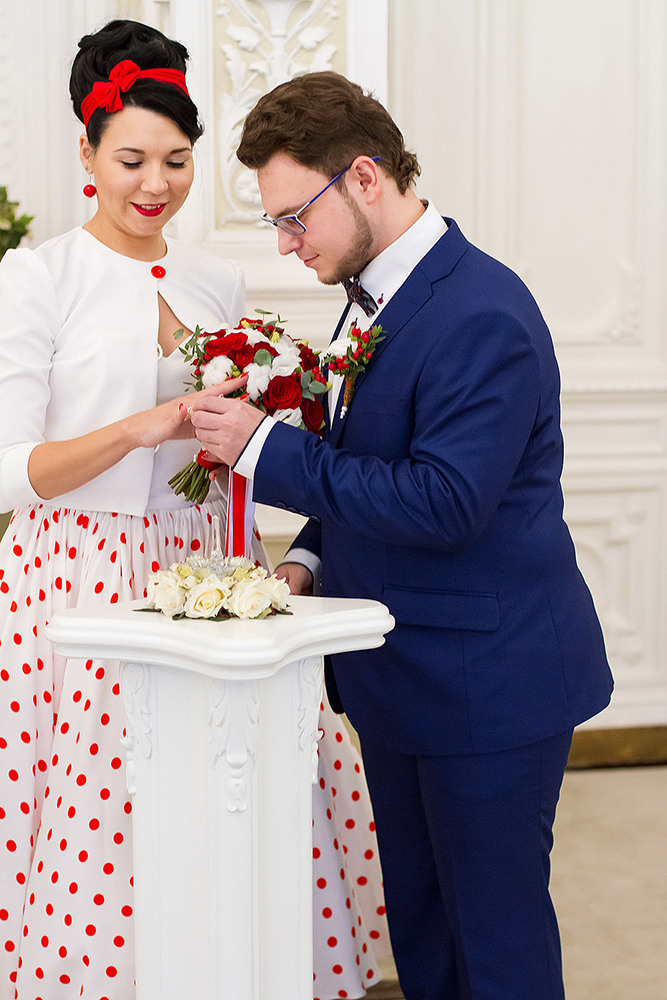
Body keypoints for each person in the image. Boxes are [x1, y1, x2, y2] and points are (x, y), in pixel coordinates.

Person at [188, 71, 615, 1000]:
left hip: (487, 686)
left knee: (494, 952)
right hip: (403, 678)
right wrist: (305, 560)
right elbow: (365, 462)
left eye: (294, 217)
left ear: (364, 177)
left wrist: (261, 447)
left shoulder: (482, 310)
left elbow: (443, 501)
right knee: (422, 940)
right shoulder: (371, 296)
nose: (286, 243)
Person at [0, 30, 388, 999]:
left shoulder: (216, 281)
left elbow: (235, 453)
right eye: (131, 159)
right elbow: (12, 473)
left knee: (226, 798)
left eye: (176, 162)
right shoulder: (38, 278)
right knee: (100, 822)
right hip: (77, 579)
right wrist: (141, 428)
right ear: (86, 152)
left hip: (206, 567)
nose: (155, 184)